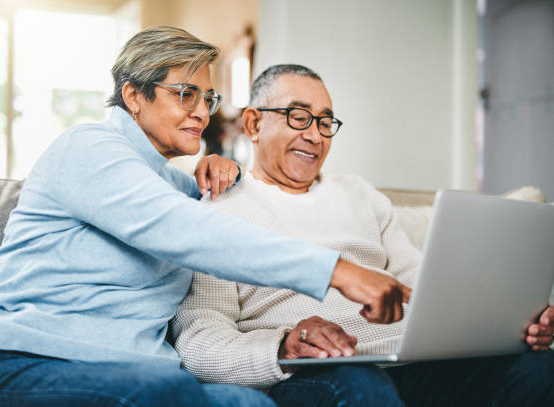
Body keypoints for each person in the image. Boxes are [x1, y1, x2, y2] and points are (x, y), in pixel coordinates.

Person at [0, 27, 412, 407]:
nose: (201, 113)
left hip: (135, 372)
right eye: (186, 94)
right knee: (163, 395)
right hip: (13, 360)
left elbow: (189, 211)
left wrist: (216, 173)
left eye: (207, 99)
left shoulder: (183, 187)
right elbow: (186, 232)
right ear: (133, 95)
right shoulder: (88, 148)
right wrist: (338, 272)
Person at [172, 64, 554, 406]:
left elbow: (421, 283)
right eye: (299, 117)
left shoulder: (361, 195)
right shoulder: (220, 205)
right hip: (320, 376)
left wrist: (510, 323)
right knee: (360, 386)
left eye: (325, 122)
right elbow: (198, 340)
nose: (315, 136)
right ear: (254, 124)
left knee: (540, 369)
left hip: (411, 365)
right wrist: (282, 345)